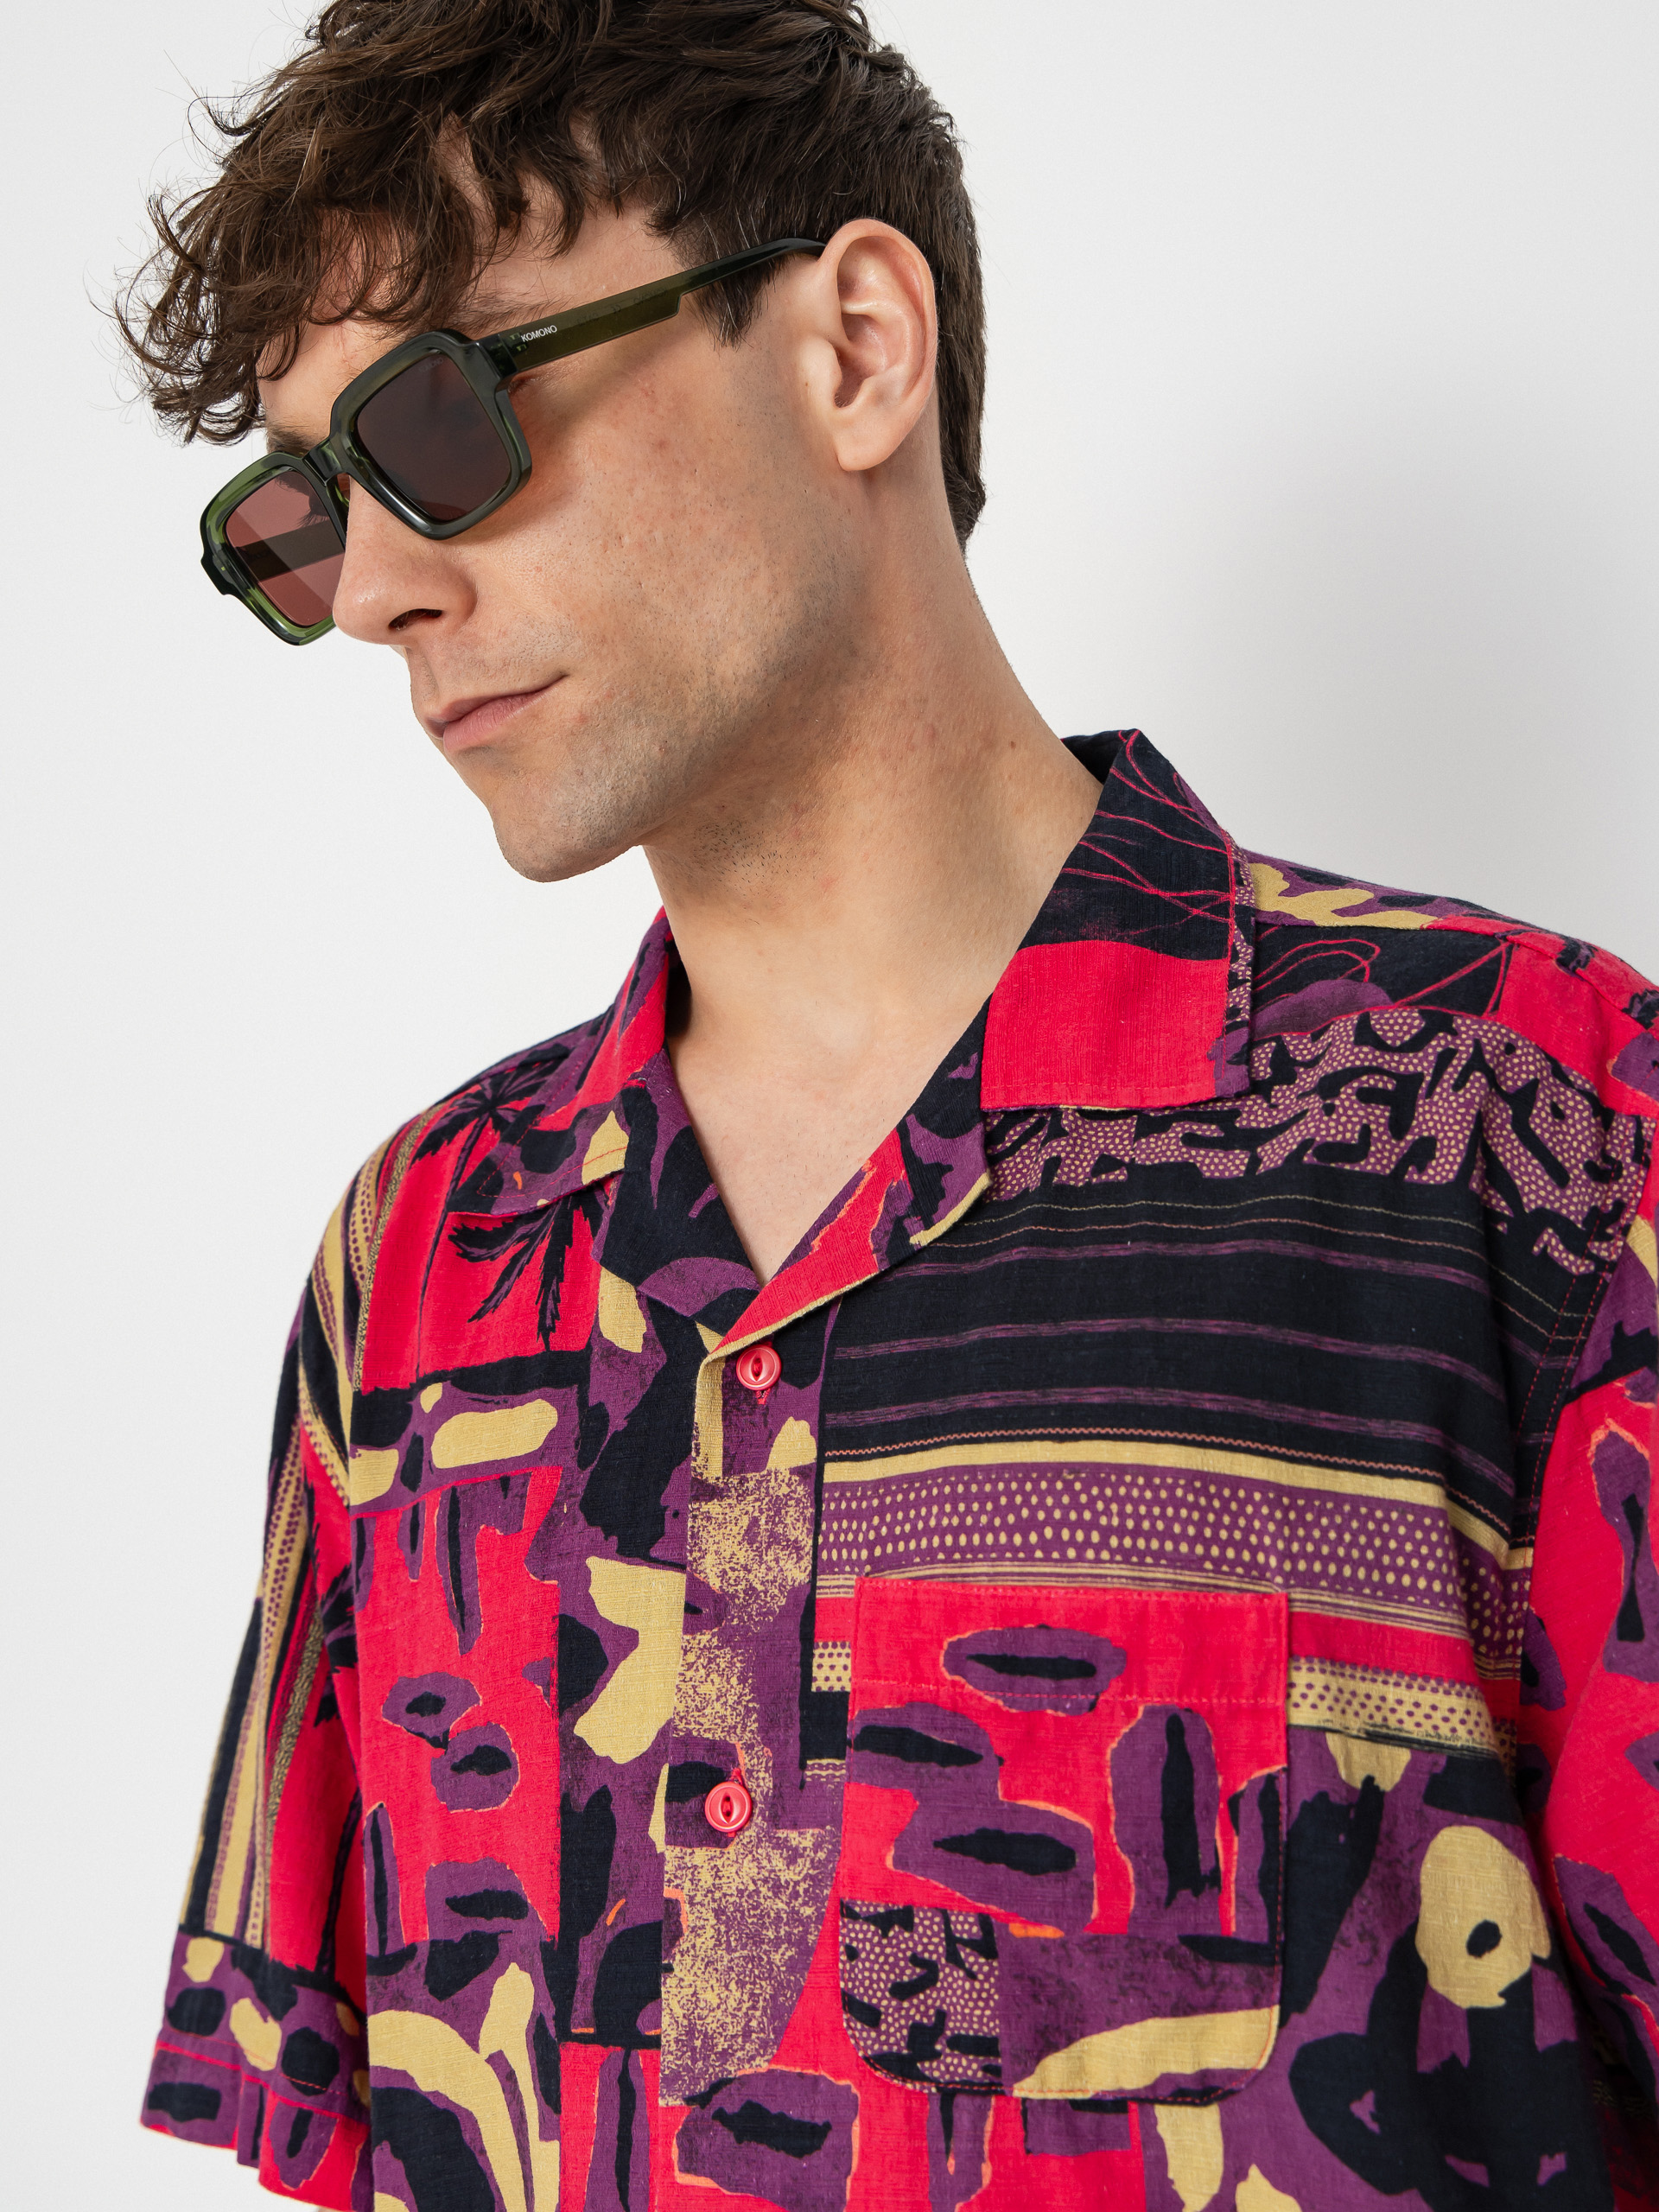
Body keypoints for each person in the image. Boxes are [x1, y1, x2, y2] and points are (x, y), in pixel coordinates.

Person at [124, 3, 1659, 2206]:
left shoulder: (1544, 1136)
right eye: (303, 508)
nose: (373, 589)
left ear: (854, 349)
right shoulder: (425, 1259)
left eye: (442, 417)